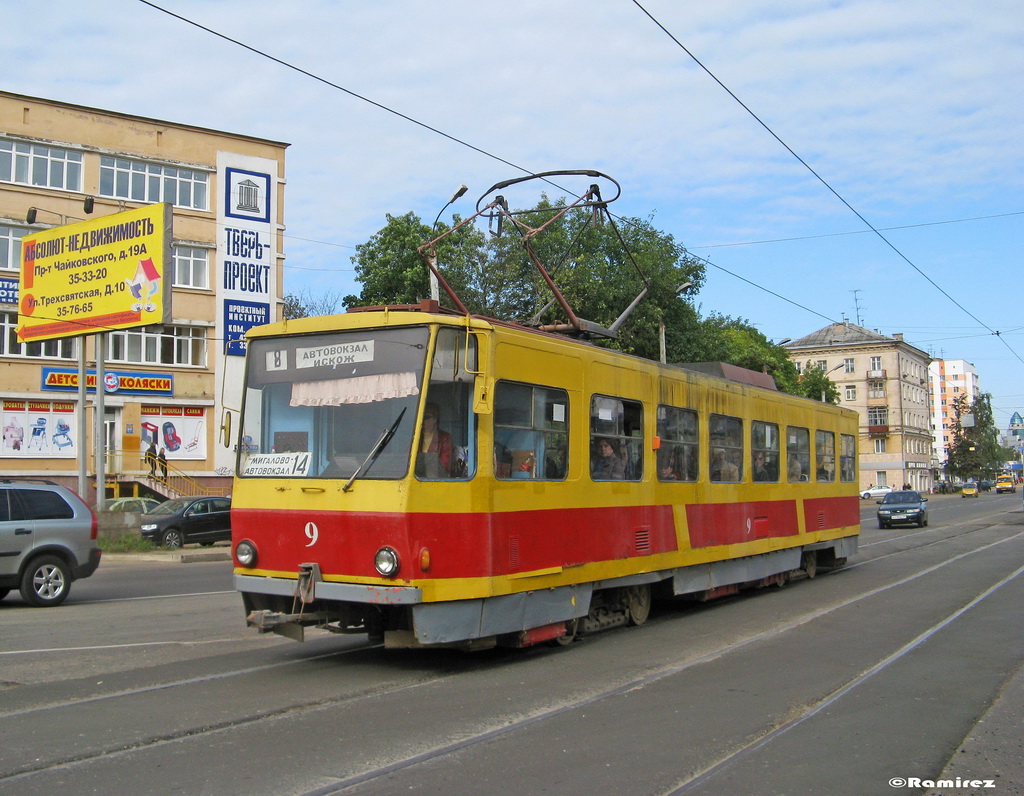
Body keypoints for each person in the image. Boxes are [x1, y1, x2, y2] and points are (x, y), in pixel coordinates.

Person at [416, 402, 452, 477]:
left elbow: (444, 465)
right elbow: (406, 459)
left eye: (426, 417)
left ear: (435, 419)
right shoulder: (415, 437)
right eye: (421, 417)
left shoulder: (445, 438)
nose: (423, 420)